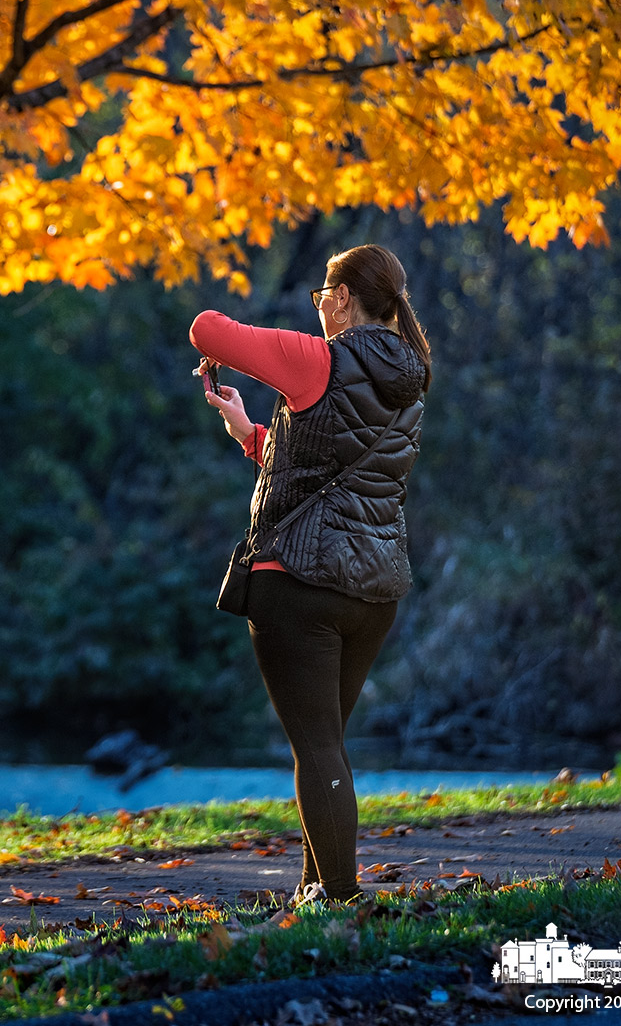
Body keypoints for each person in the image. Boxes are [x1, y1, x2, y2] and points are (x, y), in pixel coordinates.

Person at [190, 244, 430, 905]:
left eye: (323, 295)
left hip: (298, 583)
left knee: (318, 748)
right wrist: (248, 431)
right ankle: (314, 890)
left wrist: (239, 352)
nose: (319, 306)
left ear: (345, 297)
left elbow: (208, 329)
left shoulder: (318, 360)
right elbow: (329, 475)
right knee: (324, 747)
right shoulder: (408, 377)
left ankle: (344, 900)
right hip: (372, 590)